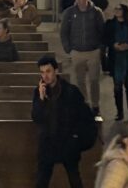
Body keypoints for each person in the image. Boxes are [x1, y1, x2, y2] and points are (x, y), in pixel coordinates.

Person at [32, 55, 93, 188]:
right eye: (42, 72)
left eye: (48, 71)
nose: (45, 76)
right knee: (42, 180)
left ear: (56, 71)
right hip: (47, 144)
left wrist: (76, 138)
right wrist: (41, 100)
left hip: (67, 143)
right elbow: (36, 118)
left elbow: (84, 116)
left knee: (74, 178)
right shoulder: (39, 92)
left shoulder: (71, 91)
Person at [60, 0, 105, 117]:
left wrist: (100, 48)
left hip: (93, 51)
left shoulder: (96, 12)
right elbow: (64, 32)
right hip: (77, 51)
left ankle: (95, 105)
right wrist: (68, 49)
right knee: (80, 80)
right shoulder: (70, 12)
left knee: (94, 80)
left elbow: (102, 31)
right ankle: (84, 104)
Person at [104, 5, 128, 120]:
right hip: (116, 59)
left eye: (119, 9)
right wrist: (113, 45)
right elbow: (105, 39)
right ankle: (119, 112)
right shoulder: (110, 25)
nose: (117, 11)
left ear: (124, 11)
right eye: (115, 9)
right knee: (117, 87)